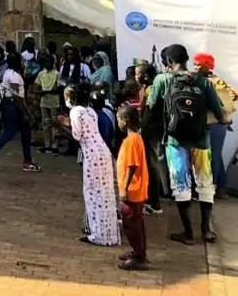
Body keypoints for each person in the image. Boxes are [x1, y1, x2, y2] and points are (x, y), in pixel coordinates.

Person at [147, 44, 226, 244]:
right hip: (201, 141)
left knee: (180, 185)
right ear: (186, 59)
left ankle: (188, 233)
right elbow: (221, 115)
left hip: (175, 141)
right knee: (205, 182)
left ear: (169, 62)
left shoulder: (162, 80)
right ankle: (206, 230)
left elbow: (151, 108)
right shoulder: (204, 82)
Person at [63, 83, 119, 247]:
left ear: (71, 98)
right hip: (103, 152)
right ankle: (109, 233)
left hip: (92, 156)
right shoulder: (90, 111)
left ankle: (96, 234)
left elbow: (77, 135)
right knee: (106, 194)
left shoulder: (75, 111)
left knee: (93, 195)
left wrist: (61, 127)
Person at [0, 54, 42, 173]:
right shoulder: (14, 76)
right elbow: (17, 97)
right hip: (12, 106)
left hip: (11, 105)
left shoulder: (9, 72)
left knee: (25, 131)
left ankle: (27, 162)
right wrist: (27, 112)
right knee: (9, 132)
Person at [193, 53, 236, 200]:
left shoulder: (213, 82)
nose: (195, 66)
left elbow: (232, 97)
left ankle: (211, 190)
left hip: (214, 123)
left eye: (199, 64)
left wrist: (224, 115)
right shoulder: (216, 80)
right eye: (195, 63)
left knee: (213, 157)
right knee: (216, 156)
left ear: (207, 66)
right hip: (218, 124)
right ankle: (221, 189)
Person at [116, 105, 150, 270]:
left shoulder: (131, 140)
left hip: (132, 191)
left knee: (131, 225)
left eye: (119, 119)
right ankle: (139, 252)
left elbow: (132, 165)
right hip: (137, 189)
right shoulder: (136, 138)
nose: (118, 123)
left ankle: (138, 256)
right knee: (137, 223)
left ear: (126, 120)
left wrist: (124, 189)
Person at [136, 61, 167, 215]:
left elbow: (149, 113)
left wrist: (141, 127)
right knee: (150, 164)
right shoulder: (151, 88)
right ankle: (151, 200)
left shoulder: (152, 91)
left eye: (138, 74)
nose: (136, 77)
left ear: (146, 76)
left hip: (151, 132)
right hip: (153, 131)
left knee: (151, 165)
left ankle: (154, 204)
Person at [36, 52, 61, 154]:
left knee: (55, 123)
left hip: (54, 101)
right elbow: (36, 85)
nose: (47, 64)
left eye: (49, 62)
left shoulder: (57, 74)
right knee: (45, 123)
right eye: (45, 62)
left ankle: (54, 145)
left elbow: (59, 88)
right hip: (44, 101)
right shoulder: (41, 73)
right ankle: (47, 145)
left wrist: (47, 91)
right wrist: (39, 91)